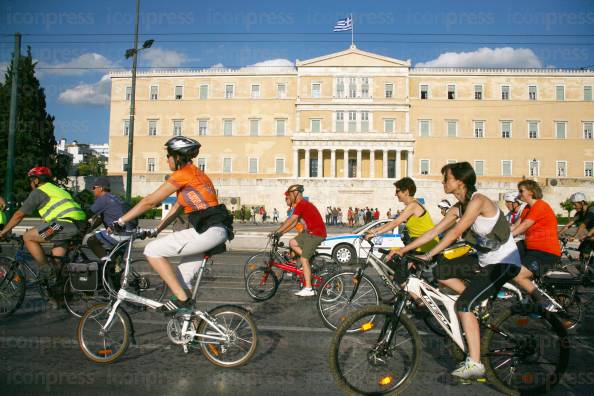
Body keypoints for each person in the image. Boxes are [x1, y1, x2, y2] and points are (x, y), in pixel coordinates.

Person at [396, 162, 521, 380]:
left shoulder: (478, 201)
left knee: (463, 305)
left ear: (459, 182)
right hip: (483, 261)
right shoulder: (458, 206)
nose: (443, 182)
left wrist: (428, 254)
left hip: (503, 263)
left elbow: (455, 233)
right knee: (441, 271)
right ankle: (476, 304)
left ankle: (475, 362)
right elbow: (436, 230)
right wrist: (404, 250)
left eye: (446, 178)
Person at [112, 136, 232, 313]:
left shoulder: (183, 174)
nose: (166, 159)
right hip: (215, 230)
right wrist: (156, 229)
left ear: (178, 157)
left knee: (152, 251)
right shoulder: (197, 175)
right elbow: (177, 208)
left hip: (207, 230)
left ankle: (183, 301)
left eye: (168, 155)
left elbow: (150, 201)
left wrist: (121, 221)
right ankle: (190, 326)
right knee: (181, 279)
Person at [0, 167, 88, 304]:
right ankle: (60, 295)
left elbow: (19, 215)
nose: (30, 184)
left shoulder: (39, 192)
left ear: (35, 180)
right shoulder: (58, 190)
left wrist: (3, 232)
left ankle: (45, 270)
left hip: (62, 224)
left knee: (28, 237)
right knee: (57, 260)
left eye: (31, 180)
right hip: (79, 225)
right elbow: (56, 213)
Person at [511, 180, 561, 310]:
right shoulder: (527, 208)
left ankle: (544, 303)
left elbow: (525, 225)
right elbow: (516, 225)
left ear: (531, 192)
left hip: (545, 251)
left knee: (519, 275)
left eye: (521, 191)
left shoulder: (540, 206)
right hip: (530, 248)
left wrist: (509, 237)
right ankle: (525, 295)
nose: (519, 194)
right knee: (506, 263)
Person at [271, 184, 326, 297]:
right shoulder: (301, 205)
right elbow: (295, 223)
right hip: (309, 232)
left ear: (296, 194)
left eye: (290, 194)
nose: (289, 197)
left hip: (316, 234)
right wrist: (280, 232)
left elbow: (293, 219)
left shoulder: (302, 204)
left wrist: (277, 231)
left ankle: (309, 288)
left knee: (304, 259)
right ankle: (308, 256)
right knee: (292, 243)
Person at [367, 177, 438, 260]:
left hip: (425, 247)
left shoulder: (413, 205)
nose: (395, 194)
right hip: (418, 245)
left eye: (397, 191)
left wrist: (375, 234)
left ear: (406, 192)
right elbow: (392, 222)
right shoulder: (412, 205)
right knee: (392, 257)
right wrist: (373, 230)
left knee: (397, 269)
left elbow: (395, 223)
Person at [86, 177, 137, 259]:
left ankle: (105, 263)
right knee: (114, 259)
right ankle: (112, 267)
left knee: (91, 241)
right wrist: (90, 228)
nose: (92, 190)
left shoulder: (103, 199)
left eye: (94, 188)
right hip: (131, 233)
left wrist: (82, 227)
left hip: (119, 232)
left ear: (101, 188)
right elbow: (100, 218)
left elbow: (87, 214)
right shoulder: (115, 198)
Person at [558, 192, 594, 259]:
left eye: (575, 204)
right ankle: (586, 267)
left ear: (582, 203)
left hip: (591, 236)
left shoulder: (592, 209)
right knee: (583, 256)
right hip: (590, 237)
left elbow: (583, 225)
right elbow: (568, 225)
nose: (573, 207)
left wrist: (575, 236)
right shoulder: (579, 213)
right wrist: (557, 234)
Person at [504, 191, 527, 259]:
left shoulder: (523, 210)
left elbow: (515, 227)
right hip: (515, 240)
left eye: (508, 202)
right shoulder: (510, 214)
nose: (506, 204)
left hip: (524, 240)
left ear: (516, 202)